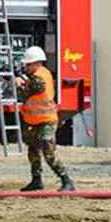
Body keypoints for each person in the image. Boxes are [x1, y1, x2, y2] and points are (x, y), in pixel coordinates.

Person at [14, 46, 75, 192]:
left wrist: (18, 84)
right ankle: (36, 181)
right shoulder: (37, 74)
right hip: (34, 121)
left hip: (46, 121)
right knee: (33, 151)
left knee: (48, 152)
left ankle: (67, 181)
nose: (26, 67)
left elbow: (25, 94)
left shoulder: (40, 77)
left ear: (37, 63)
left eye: (28, 64)